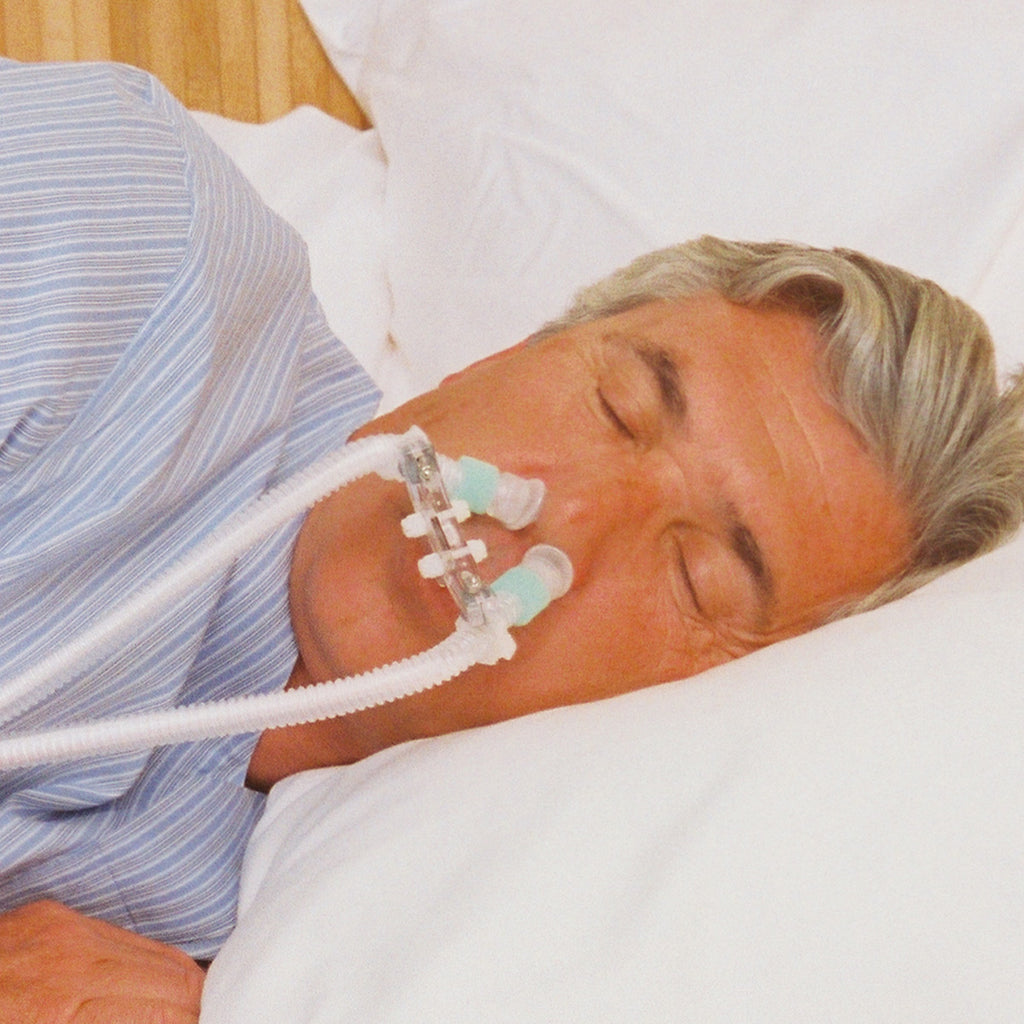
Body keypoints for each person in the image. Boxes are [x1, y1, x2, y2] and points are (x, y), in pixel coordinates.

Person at [1, 59, 1022, 1024]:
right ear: (503, 355)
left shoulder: (295, 931)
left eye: (695, 576)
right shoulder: (137, 254)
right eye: (617, 405)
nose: (566, 514)